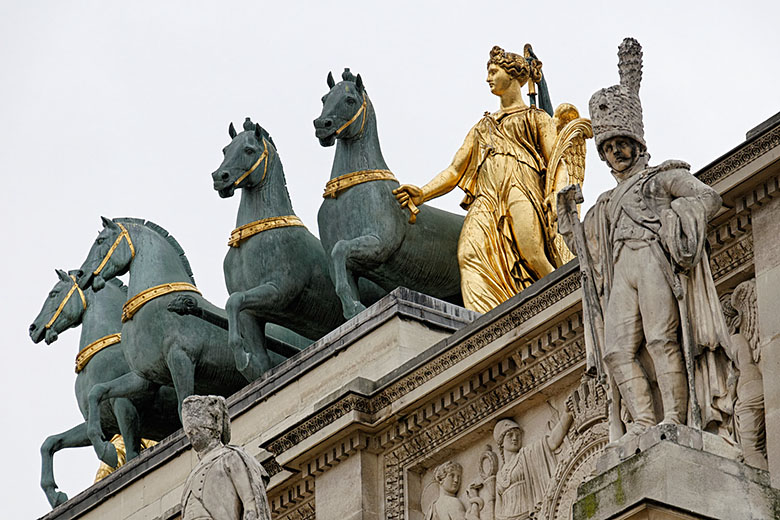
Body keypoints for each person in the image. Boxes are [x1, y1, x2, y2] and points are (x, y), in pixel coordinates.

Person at [557, 38, 732, 441]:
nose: (616, 153)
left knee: (660, 339)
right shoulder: (602, 204)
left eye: (622, 145)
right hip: (622, 271)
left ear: (637, 145)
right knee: (616, 349)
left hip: (652, 258)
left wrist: (675, 218)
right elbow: (585, 253)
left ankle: (674, 416)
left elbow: (708, 197)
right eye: (609, 148)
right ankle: (643, 421)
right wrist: (567, 218)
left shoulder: (662, 177)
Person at [394, 45, 586, 313]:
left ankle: (572, 303)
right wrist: (423, 194)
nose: (488, 78)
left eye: (494, 72)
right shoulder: (483, 126)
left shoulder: (536, 117)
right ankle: (489, 324)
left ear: (512, 74)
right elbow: (454, 171)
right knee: (468, 255)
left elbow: (558, 163)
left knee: (531, 253)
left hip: (520, 188)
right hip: (485, 198)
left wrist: (558, 194)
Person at [180, 395, 271, 520]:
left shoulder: (230, 457)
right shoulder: (191, 476)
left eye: (196, 430)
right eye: (189, 432)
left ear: (213, 430)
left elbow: (251, 501)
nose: (192, 436)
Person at [493, 414, 572, 519]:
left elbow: (552, 442)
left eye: (518, 435)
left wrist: (567, 414)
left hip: (527, 515)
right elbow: (497, 510)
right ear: (501, 442)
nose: (515, 438)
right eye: (510, 435)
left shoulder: (526, 454)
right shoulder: (499, 475)